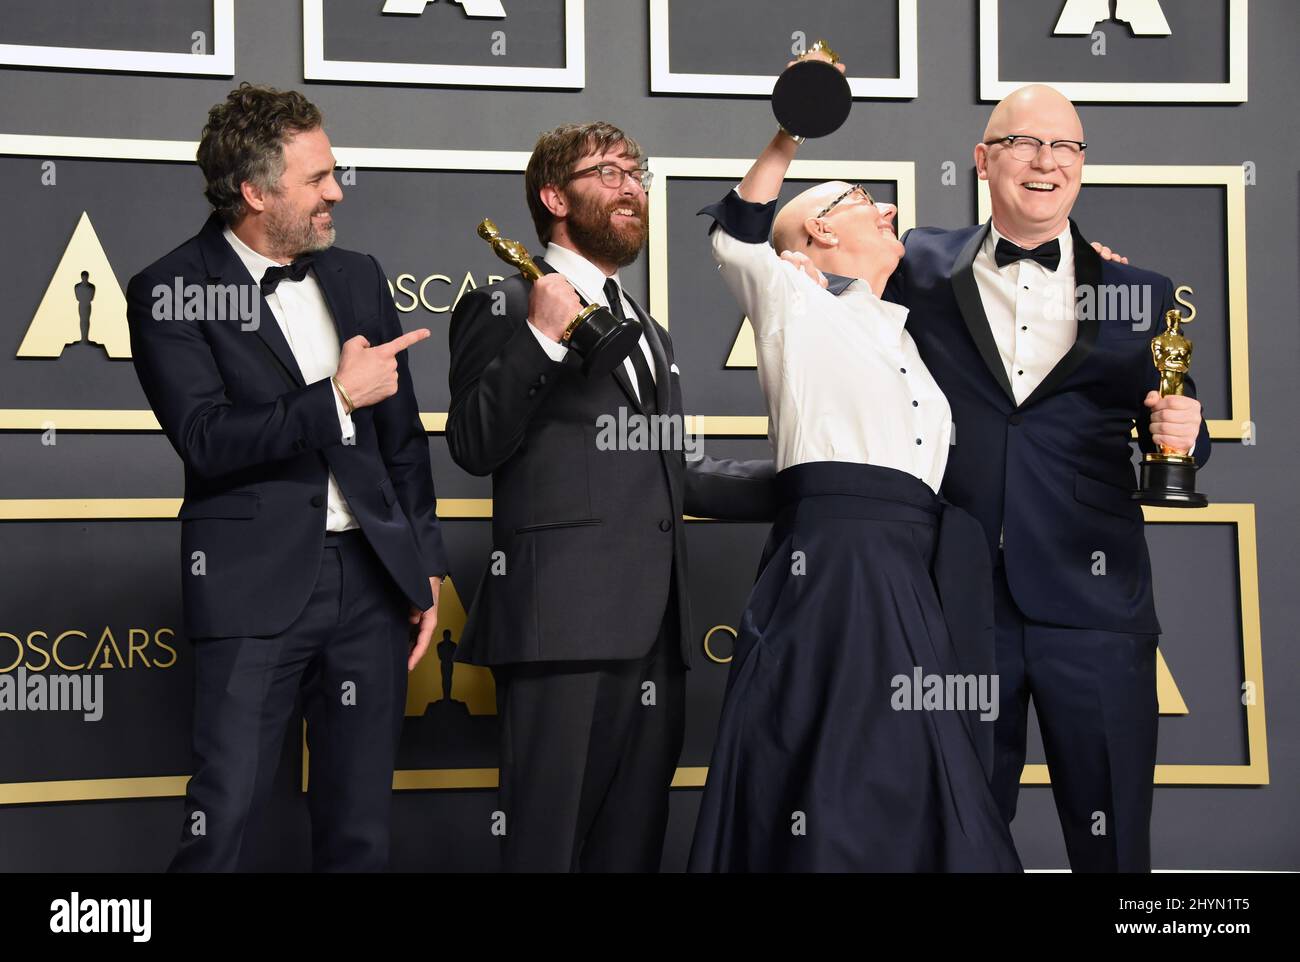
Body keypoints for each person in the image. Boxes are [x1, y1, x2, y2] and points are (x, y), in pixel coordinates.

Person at [687, 54, 1022, 873]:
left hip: (917, 570)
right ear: (817, 234)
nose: (888, 210)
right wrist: (793, 125)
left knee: (923, 775)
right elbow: (736, 234)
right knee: (833, 775)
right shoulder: (789, 297)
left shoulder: (906, 332)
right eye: (861, 202)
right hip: (835, 569)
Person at [880, 84, 1211, 872]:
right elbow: (793, 270)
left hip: (1094, 601)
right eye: (1026, 143)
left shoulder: (1145, 294)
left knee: (1115, 839)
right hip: (956, 599)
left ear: (1083, 167)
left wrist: (1187, 437)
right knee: (959, 831)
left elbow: (1175, 427)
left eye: (1066, 147)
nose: (1046, 161)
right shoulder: (915, 264)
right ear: (984, 158)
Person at [127, 84, 447, 871]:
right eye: (317, 179)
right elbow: (205, 439)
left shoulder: (358, 274)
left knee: (360, 825)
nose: (337, 190)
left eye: (333, 172)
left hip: (372, 586)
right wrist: (335, 396)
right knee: (225, 814)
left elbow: (401, 444)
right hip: (252, 586)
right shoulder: (169, 288)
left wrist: (426, 566)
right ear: (254, 191)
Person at [446, 121, 777, 872]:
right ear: (554, 196)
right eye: (608, 172)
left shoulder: (648, 330)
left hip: (657, 634)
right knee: (545, 849)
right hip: (559, 630)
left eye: (637, 172)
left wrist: (808, 482)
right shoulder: (504, 304)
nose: (631, 186)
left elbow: (675, 474)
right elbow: (471, 443)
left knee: (631, 851)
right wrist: (541, 338)